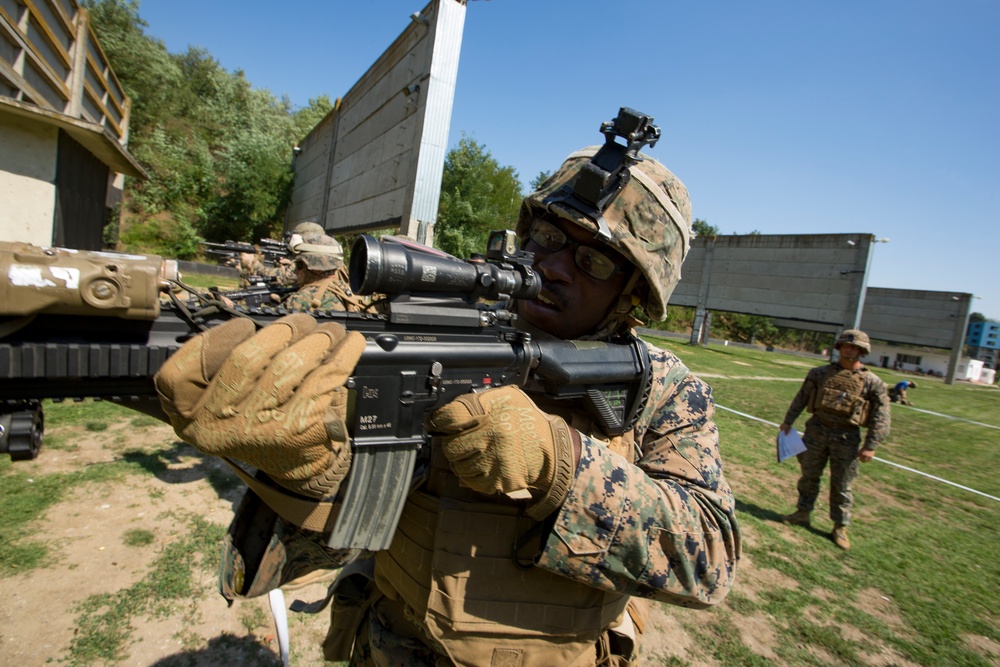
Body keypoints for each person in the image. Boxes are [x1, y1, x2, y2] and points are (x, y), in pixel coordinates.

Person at [152, 108, 741, 665]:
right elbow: (345, 534)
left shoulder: (661, 389)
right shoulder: (436, 337)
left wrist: (558, 466)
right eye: (550, 238)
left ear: (634, 292)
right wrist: (306, 470)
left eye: (596, 262)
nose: (555, 266)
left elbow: (709, 558)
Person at [779, 329, 891, 551]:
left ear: (862, 351)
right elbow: (801, 398)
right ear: (839, 348)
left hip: (847, 437)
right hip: (817, 431)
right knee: (809, 475)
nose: (851, 349)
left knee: (842, 484)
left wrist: (871, 445)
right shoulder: (819, 373)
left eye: (856, 347)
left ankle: (840, 526)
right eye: (847, 346)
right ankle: (803, 513)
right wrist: (788, 421)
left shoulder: (872, 382)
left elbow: (882, 416)